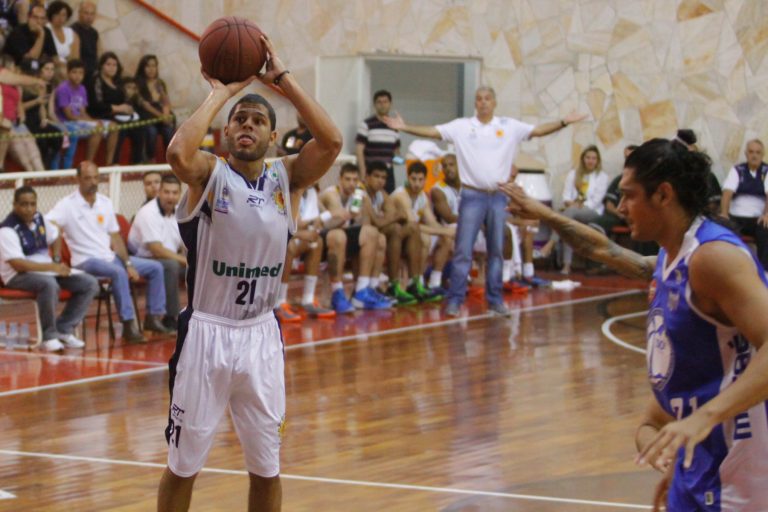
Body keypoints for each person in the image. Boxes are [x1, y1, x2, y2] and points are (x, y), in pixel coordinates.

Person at [500, 138, 768, 511]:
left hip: (743, 471)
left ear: (663, 195)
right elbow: (604, 249)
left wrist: (702, 419)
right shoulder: (673, 257)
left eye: (629, 195)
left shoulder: (713, 258)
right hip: (699, 462)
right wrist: (545, 215)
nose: (621, 207)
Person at [157, 35, 342, 512]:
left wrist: (284, 80)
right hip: (207, 333)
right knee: (183, 464)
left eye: (259, 121)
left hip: (261, 334)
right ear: (225, 131)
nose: (248, 125)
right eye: (240, 119)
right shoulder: (209, 173)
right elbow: (177, 154)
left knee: (266, 465)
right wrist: (222, 93)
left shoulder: (287, 177)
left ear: (272, 137)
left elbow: (332, 142)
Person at [384, 86, 586, 316]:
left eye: (487, 98)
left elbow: (538, 131)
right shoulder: (462, 126)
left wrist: (564, 122)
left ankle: (495, 300)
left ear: (495, 102)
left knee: (496, 250)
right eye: (479, 99)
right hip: (472, 196)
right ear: (475, 103)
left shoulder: (508, 126)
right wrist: (405, 127)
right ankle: (455, 300)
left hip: (498, 196)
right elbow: (433, 132)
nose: (483, 102)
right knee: (463, 250)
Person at [47, 160, 170, 344]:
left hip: (109, 258)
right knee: (118, 272)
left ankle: (153, 318)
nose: (93, 182)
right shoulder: (66, 204)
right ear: (77, 179)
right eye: (88, 178)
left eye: (96, 178)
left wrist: (128, 263)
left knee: (155, 268)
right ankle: (128, 324)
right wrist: (56, 245)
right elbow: (49, 222)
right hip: (86, 261)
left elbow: (116, 238)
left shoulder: (105, 202)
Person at [0, 186, 98, 351]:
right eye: (24, 204)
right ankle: (49, 336)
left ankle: (64, 329)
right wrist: (51, 267)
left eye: (32, 204)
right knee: (49, 284)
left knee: (89, 283)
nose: (29, 209)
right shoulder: (7, 229)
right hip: (17, 276)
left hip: (46, 270)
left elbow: (56, 236)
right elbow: (18, 264)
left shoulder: (40, 219)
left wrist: (57, 259)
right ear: (14, 205)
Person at [319, 163, 391, 311]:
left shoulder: (359, 194)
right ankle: (338, 293)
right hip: (324, 237)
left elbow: (366, 225)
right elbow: (333, 224)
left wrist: (361, 212)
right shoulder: (331, 194)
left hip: (343, 236)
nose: (352, 183)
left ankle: (364, 289)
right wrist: (350, 215)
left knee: (376, 236)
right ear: (340, 179)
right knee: (339, 236)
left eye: (355, 180)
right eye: (348, 179)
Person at [540, 145, 609, 274]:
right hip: (573, 211)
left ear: (597, 161)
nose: (590, 161)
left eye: (593, 158)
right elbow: (566, 196)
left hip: (592, 212)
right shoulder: (573, 174)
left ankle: (551, 243)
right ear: (583, 159)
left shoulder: (602, 176)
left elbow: (595, 201)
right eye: (588, 157)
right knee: (568, 225)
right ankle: (566, 266)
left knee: (568, 215)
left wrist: (577, 205)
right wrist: (571, 204)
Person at [128, 174, 185, 331]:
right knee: (171, 266)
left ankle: (200, 314)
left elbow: (186, 242)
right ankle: (171, 318)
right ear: (159, 192)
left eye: (175, 193)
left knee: (201, 267)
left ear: (180, 194)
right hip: (143, 258)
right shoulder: (148, 212)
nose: (170, 197)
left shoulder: (180, 211)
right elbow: (157, 250)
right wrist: (185, 260)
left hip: (168, 257)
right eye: (166, 192)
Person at [391, 162, 454, 301]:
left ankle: (434, 283)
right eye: (413, 179)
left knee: (446, 239)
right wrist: (445, 231)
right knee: (424, 237)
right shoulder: (401, 196)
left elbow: (432, 222)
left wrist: (447, 232)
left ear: (425, 179)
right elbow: (413, 225)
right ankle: (416, 282)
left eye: (420, 180)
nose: (417, 184)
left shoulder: (422, 196)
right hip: (395, 237)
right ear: (408, 178)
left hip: (410, 236)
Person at [275, 184, 336, 322]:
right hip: (275, 240)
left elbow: (311, 225)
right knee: (289, 245)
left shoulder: (312, 192)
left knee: (317, 241)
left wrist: (313, 226)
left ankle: (308, 299)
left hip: (294, 236)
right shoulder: (284, 189)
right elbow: (286, 225)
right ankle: (279, 302)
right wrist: (325, 216)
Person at [362, 160, 419, 305]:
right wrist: (392, 217)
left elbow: (396, 215)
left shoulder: (381, 193)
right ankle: (392, 284)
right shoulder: (361, 193)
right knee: (394, 230)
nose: (380, 181)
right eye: (376, 176)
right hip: (360, 234)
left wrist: (391, 217)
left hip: (373, 232)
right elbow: (377, 222)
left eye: (383, 177)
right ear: (367, 177)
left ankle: (414, 282)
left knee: (412, 228)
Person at [87, 51, 145, 164]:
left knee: (140, 129)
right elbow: (96, 105)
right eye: (108, 64)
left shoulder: (118, 82)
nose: (112, 68)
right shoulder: (96, 81)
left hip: (120, 116)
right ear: (101, 66)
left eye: (114, 65)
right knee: (119, 128)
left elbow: (124, 101)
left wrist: (128, 107)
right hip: (101, 116)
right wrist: (117, 108)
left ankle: (137, 163)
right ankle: (112, 163)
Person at [720, 139, 768, 270]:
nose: (754, 155)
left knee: (766, 230)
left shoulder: (766, 171)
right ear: (746, 154)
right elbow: (727, 193)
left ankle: (765, 270)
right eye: (751, 152)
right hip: (736, 217)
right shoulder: (737, 170)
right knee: (725, 230)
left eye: (758, 152)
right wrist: (724, 214)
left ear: (762, 154)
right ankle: (728, 269)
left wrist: (766, 214)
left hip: (758, 219)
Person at [0, 55, 46, 171]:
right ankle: (30, 174)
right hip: (4, 121)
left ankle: (42, 175)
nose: (14, 69)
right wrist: (37, 81)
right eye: (12, 66)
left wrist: (21, 114)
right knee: (19, 148)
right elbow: (17, 78)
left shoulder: (16, 86)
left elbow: (19, 103)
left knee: (32, 147)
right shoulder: (3, 77)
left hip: (15, 121)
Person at [54, 58, 102, 168]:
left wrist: (93, 121)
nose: (78, 76)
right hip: (65, 122)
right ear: (68, 73)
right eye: (74, 72)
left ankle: (88, 163)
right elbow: (69, 116)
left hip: (78, 121)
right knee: (79, 130)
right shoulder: (63, 89)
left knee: (99, 127)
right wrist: (89, 121)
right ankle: (67, 166)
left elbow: (83, 112)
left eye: (81, 73)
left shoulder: (82, 89)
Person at [20, 57, 64, 169]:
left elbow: (42, 105)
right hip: (26, 121)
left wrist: (44, 118)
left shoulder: (39, 85)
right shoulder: (19, 86)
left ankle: (48, 165)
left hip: (37, 119)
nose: (32, 76)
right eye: (29, 73)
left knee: (58, 135)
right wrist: (36, 101)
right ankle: (43, 169)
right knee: (42, 141)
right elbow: (20, 108)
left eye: (34, 73)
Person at [356, 89, 401, 192]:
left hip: (388, 173)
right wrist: (363, 173)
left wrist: (402, 161)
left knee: (389, 199)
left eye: (385, 102)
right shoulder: (366, 124)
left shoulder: (394, 126)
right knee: (364, 197)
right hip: (371, 172)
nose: (382, 105)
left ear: (390, 104)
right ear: (374, 105)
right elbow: (359, 151)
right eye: (379, 102)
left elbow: (396, 152)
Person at [134, 54, 174, 162]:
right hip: (147, 116)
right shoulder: (137, 83)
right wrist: (161, 116)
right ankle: (150, 160)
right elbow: (145, 105)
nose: (151, 69)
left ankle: (170, 161)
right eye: (148, 66)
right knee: (151, 131)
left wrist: (166, 116)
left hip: (161, 117)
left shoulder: (160, 83)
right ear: (142, 68)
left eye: (153, 66)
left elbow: (166, 103)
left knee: (168, 130)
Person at [3, 3, 56, 70]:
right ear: (28, 17)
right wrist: (41, 35)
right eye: (35, 17)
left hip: (39, 67)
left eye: (42, 18)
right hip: (17, 67)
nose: (39, 21)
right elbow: (31, 59)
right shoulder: (18, 32)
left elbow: (54, 56)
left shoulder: (47, 31)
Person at [45, 0, 79, 78]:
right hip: (51, 66)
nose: (60, 18)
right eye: (57, 14)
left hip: (67, 67)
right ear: (51, 15)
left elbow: (74, 58)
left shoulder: (70, 32)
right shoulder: (46, 29)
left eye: (64, 15)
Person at [69, 1, 99, 78]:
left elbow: (96, 55)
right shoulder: (73, 30)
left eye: (92, 14)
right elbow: (73, 58)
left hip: (93, 73)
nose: (89, 17)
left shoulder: (94, 33)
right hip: (79, 74)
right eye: (86, 13)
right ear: (79, 13)